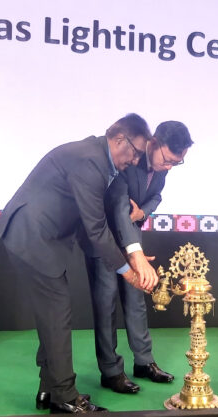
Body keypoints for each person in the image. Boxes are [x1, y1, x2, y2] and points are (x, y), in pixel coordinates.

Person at [0, 113, 159, 414]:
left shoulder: (97, 158)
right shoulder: (91, 161)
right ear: (119, 139)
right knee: (57, 314)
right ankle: (65, 397)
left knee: (52, 314)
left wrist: (125, 256)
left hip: (38, 237)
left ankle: (48, 389)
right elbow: (95, 229)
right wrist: (128, 272)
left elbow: (91, 224)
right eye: (135, 152)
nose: (136, 160)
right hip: (32, 236)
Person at [83, 121, 192, 394]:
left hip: (132, 236)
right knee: (106, 303)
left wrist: (143, 213)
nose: (169, 167)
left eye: (176, 163)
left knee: (136, 301)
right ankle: (111, 372)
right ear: (153, 143)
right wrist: (136, 254)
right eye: (167, 159)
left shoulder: (162, 169)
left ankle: (144, 362)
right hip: (105, 237)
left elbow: (156, 197)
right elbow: (120, 206)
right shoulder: (128, 159)